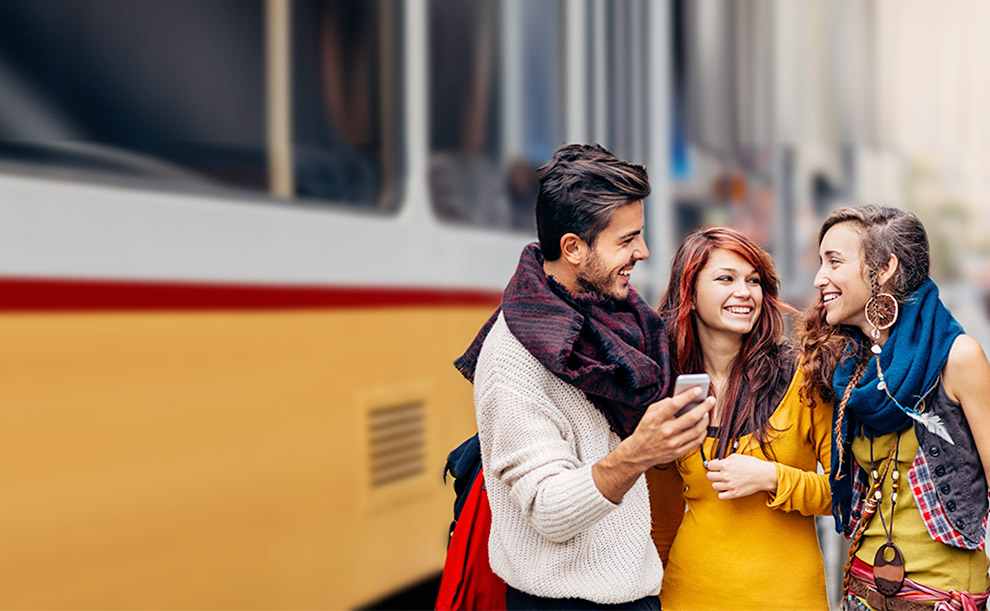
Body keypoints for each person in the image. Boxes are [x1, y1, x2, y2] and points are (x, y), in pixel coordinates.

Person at [454, 143, 714, 610]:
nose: (644, 251)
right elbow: (549, 509)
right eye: (626, 239)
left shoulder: (618, 322)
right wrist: (639, 452)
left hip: (632, 594)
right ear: (573, 248)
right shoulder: (515, 355)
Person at [799, 205, 990, 609]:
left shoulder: (958, 358)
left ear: (884, 268)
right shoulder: (849, 365)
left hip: (940, 597)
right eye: (821, 263)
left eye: (834, 261)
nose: (820, 279)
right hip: (860, 590)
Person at [648, 227, 833, 610]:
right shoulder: (671, 384)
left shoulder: (802, 375)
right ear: (690, 293)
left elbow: (847, 493)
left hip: (789, 599)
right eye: (725, 279)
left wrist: (770, 477)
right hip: (687, 595)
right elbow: (662, 516)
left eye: (753, 281)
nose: (745, 292)